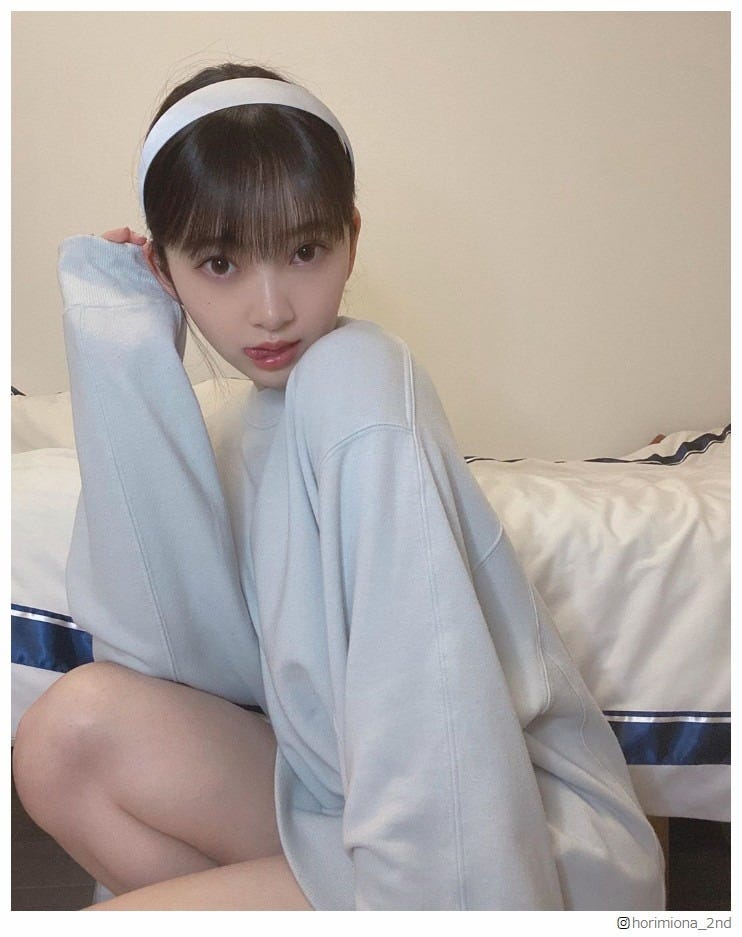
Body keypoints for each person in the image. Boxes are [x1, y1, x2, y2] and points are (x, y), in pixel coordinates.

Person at [12, 62, 665, 911]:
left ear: (351, 237)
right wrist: (120, 342)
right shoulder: (251, 418)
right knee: (64, 738)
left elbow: (433, 708)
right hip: (337, 803)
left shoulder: (357, 382)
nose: (271, 308)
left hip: (499, 846)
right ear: (163, 271)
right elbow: (167, 665)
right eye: (219, 263)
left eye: (304, 251)